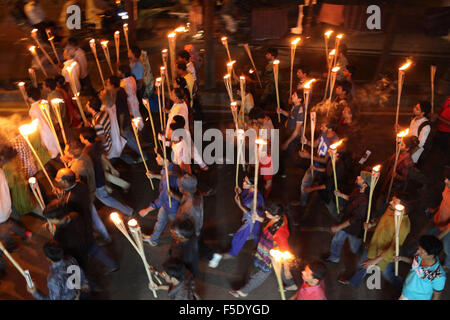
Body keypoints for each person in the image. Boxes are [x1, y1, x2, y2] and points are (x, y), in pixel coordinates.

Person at [229, 202, 296, 298]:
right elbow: (267, 222)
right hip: (268, 250)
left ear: (276, 216)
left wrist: (287, 269)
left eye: (268, 212)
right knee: (279, 270)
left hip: (272, 256)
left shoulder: (280, 233)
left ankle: (244, 291)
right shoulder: (279, 217)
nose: (265, 212)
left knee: (263, 273)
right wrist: (257, 218)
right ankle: (291, 284)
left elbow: (285, 251)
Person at [345, 194, 410, 290]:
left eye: (394, 202)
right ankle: (354, 280)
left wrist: (374, 261)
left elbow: (394, 247)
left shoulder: (404, 225)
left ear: (403, 208)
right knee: (363, 263)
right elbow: (381, 220)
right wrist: (371, 225)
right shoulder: (391, 209)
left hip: (386, 255)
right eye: (392, 200)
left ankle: (405, 291)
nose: (390, 202)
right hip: (374, 245)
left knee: (388, 274)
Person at [44, 198, 118, 273]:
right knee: (98, 253)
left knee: (82, 270)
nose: (49, 221)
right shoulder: (74, 215)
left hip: (79, 252)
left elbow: (60, 246)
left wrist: (53, 231)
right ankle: (112, 265)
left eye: (49, 219)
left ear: (55, 219)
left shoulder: (59, 234)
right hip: (89, 240)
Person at [210, 170, 265, 267]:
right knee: (255, 237)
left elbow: (252, 215)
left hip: (251, 222)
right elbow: (244, 197)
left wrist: (239, 205)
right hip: (246, 218)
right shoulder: (249, 190)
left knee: (240, 236)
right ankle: (257, 249)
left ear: (253, 185)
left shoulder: (257, 198)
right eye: (244, 180)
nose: (243, 183)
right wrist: (240, 192)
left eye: (246, 182)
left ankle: (231, 254)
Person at [79, 127, 133, 216]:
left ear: (85, 138)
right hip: (101, 172)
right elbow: (103, 157)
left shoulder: (86, 152)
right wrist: (111, 168)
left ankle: (128, 210)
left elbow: (88, 168)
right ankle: (120, 190)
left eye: (80, 136)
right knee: (106, 192)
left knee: (106, 198)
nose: (80, 138)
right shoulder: (96, 145)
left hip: (96, 178)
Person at [323, 172, 370, 265]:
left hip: (353, 229)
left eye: (361, 178)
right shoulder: (357, 189)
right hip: (345, 221)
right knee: (336, 240)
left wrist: (338, 227)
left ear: (364, 185)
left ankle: (361, 262)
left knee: (354, 249)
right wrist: (341, 195)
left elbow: (354, 220)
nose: (358, 177)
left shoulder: (365, 201)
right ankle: (334, 257)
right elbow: (351, 199)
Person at [140, 150, 181, 246]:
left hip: (172, 207)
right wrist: (153, 175)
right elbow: (163, 176)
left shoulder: (170, 176)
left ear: (166, 159)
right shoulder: (170, 167)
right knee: (160, 221)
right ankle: (153, 239)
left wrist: (147, 210)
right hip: (166, 205)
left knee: (177, 226)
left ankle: (183, 242)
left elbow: (162, 198)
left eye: (159, 157)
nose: (156, 158)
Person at [295, 120, 339, 207]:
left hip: (323, 168)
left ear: (330, 129)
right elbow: (315, 144)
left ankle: (304, 204)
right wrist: (306, 142)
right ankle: (303, 202)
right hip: (315, 162)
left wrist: (308, 156)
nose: (320, 128)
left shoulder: (334, 142)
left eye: (323, 126)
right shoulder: (324, 134)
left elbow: (325, 161)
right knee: (306, 183)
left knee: (305, 183)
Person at [106, 76, 147, 162]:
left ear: (112, 85)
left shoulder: (117, 96)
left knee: (130, 140)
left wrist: (121, 127)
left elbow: (121, 113)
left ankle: (143, 155)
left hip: (123, 122)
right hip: (125, 119)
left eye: (108, 83)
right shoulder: (121, 90)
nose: (107, 85)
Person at [397, 235, 446, 300]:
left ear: (431, 255)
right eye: (418, 249)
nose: (417, 252)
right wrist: (400, 258)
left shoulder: (438, 275)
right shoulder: (420, 256)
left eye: (422, 251)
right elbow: (414, 262)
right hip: (406, 292)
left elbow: (437, 295)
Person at [423, 167, 450, 270]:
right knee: (425, 234)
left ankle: (447, 265)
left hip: (447, 229)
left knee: (447, 248)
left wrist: (440, 235)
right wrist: (435, 210)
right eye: (446, 178)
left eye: (448, 180)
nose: (445, 181)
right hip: (438, 219)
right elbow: (444, 201)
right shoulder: (447, 187)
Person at [278, 90, 304, 178]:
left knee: (291, 157)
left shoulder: (301, 111)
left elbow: (297, 131)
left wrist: (287, 142)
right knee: (285, 154)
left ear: (299, 99)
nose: (292, 96)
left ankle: (304, 168)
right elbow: (290, 115)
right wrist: (282, 111)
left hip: (293, 136)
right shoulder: (294, 106)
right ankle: (282, 171)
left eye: (294, 95)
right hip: (288, 133)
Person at [28, 87, 60, 159]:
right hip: (50, 127)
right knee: (54, 144)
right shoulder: (44, 103)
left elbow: (35, 124)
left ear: (30, 97)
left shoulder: (32, 110)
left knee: (49, 149)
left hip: (43, 130)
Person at [98, 89, 126, 159]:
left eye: (102, 93)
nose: (100, 93)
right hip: (114, 125)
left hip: (111, 126)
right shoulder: (112, 104)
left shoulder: (104, 108)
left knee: (112, 139)